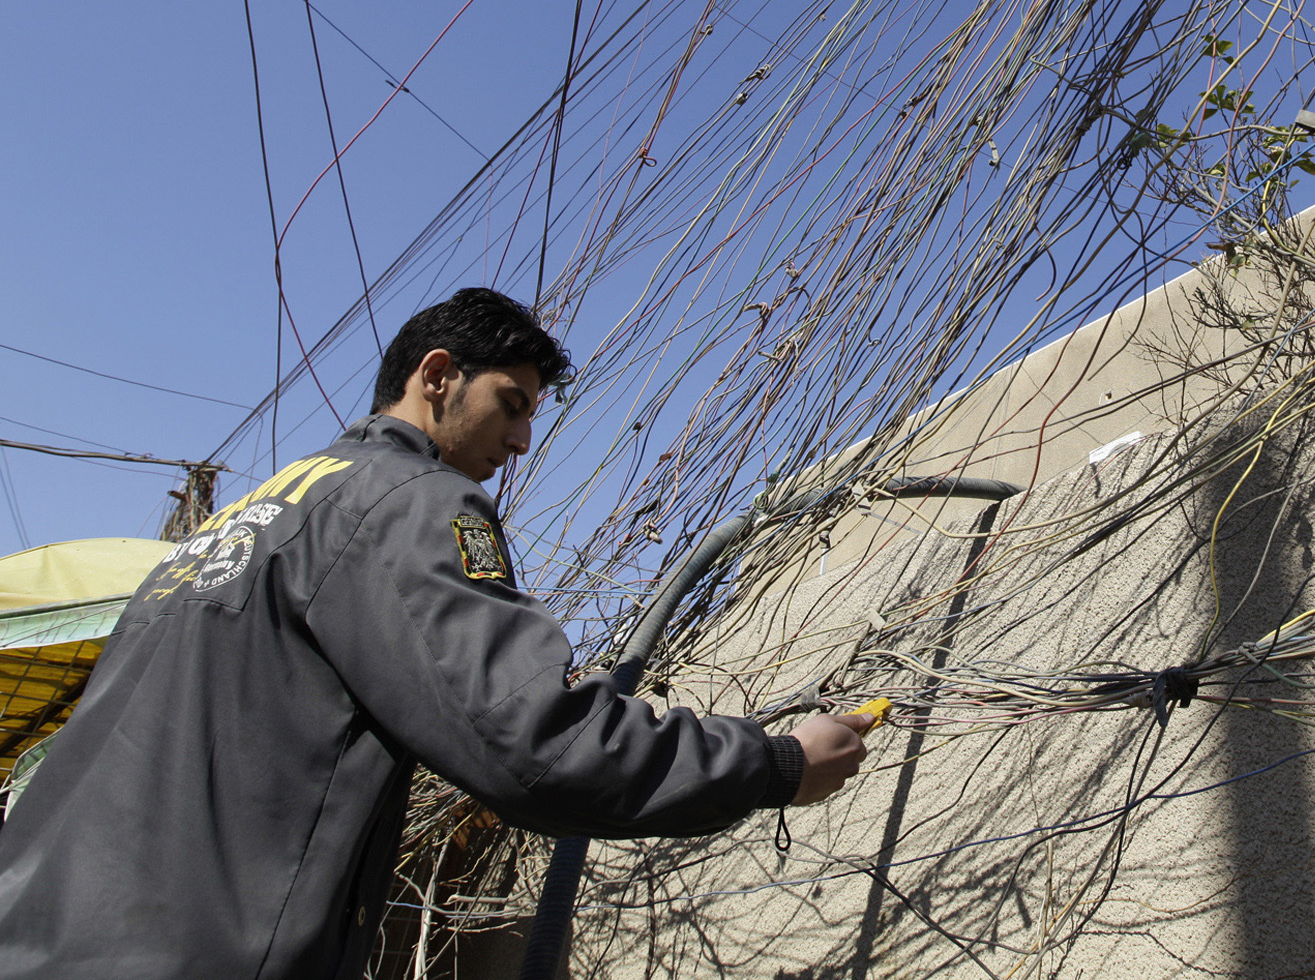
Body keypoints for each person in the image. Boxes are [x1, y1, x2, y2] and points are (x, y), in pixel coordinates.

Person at [0, 288, 871, 979]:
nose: (523, 439)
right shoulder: (405, 499)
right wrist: (778, 763)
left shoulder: (248, 520)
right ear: (439, 374)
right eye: (512, 403)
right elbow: (530, 743)